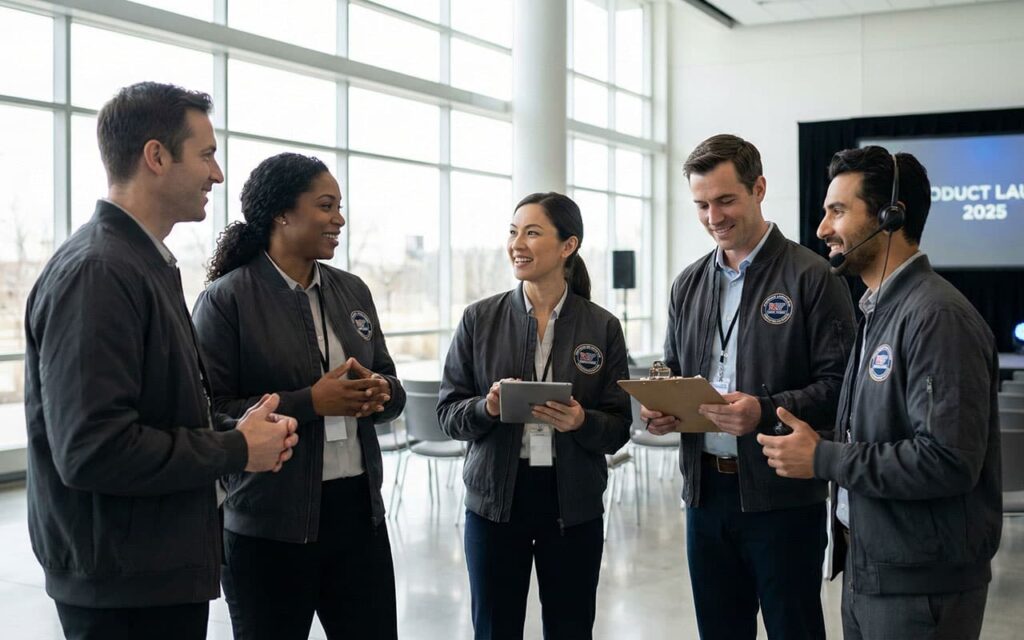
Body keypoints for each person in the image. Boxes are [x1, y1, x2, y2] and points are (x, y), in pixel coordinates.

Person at [23, 82, 300, 640]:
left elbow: (155, 411)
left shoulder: (142, 263)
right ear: (156, 156)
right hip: (124, 587)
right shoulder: (99, 271)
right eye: (206, 154)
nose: (217, 174)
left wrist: (235, 430)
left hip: (151, 571)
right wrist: (235, 448)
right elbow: (93, 449)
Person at [759, 146, 1002, 640]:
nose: (822, 228)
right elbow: (879, 434)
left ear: (891, 217)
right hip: (874, 568)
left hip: (920, 586)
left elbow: (948, 461)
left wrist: (823, 457)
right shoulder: (880, 311)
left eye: (838, 211)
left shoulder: (936, 317)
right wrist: (813, 441)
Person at [641, 134, 856, 639]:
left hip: (783, 495)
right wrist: (661, 408)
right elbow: (672, 370)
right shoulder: (688, 283)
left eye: (725, 200)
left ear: (759, 189)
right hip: (705, 494)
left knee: (793, 629)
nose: (713, 217)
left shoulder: (813, 277)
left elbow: (841, 390)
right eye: (701, 205)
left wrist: (763, 409)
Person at [192, 152, 406, 640]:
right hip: (269, 523)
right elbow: (210, 413)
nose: (339, 220)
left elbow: (390, 381)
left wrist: (382, 392)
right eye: (326, 206)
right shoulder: (226, 299)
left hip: (359, 516)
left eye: (339, 207)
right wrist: (311, 402)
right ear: (282, 214)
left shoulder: (353, 291)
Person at [437, 192, 631, 640]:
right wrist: (486, 407)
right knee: (495, 627)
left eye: (532, 232)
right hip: (495, 503)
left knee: (571, 627)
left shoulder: (602, 326)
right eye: (513, 232)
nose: (516, 244)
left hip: (573, 502)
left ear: (568, 246)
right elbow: (448, 413)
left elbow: (619, 427)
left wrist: (582, 422)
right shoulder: (479, 319)